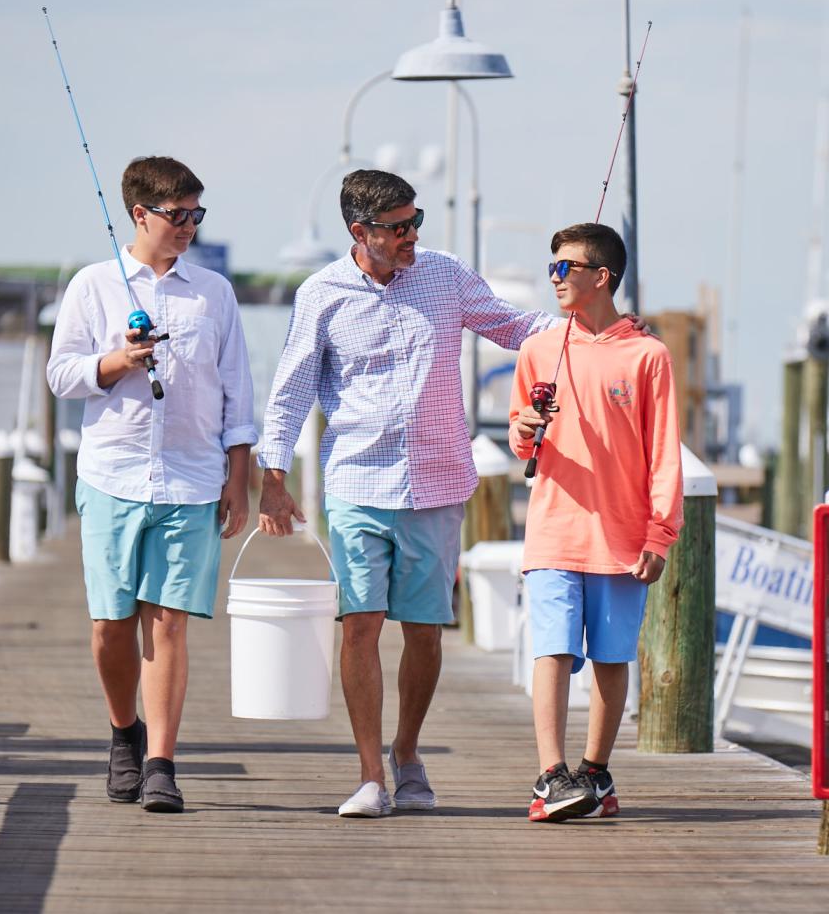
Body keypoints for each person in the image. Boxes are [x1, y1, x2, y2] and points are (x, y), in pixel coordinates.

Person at [257, 169, 571, 818]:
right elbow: (289, 390)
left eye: (415, 221)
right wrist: (273, 479)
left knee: (425, 634)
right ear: (360, 233)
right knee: (361, 626)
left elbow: (514, 326)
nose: (412, 236)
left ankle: (407, 750)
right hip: (356, 485)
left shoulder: (444, 274)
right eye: (398, 228)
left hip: (436, 483)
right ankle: (371, 773)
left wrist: (594, 327)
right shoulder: (322, 294)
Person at [47, 155, 256, 814]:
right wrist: (118, 361)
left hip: (193, 480)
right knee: (112, 624)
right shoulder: (92, 286)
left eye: (197, 215)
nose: (189, 226)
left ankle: (162, 762)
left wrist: (239, 479)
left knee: (168, 625)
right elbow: (62, 374)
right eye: (178, 215)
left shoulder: (213, 294)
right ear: (140, 214)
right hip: (113, 473)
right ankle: (123, 734)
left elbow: (239, 397)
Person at [509, 222, 683, 822]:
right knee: (551, 649)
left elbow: (664, 453)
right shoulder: (538, 348)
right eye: (551, 266)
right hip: (554, 528)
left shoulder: (649, 356)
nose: (553, 277)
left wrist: (661, 534)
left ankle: (596, 772)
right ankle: (550, 776)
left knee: (612, 658)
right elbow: (520, 437)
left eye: (565, 267)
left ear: (600, 276)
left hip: (624, 539)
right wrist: (524, 431)